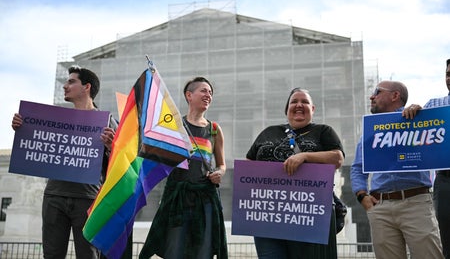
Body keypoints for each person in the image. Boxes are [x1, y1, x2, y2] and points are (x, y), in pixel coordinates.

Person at [11, 66, 117, 259]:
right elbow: (36, 145)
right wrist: (23, 127)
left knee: (88, 255)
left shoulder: (107, 122)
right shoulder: (53, 120)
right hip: (54, 196)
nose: (65, 86)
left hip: (88, 199)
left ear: (86, 87)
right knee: (52, 255)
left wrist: (111, 147)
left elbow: (121, 165)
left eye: (71, 81)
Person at [246, 87, 345, 259]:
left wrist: (304, 156)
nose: (299, 105)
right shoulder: (268, 132)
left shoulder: (324, 131)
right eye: (294, 102)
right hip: (268, 215)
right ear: (287, 109)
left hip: (308, 215)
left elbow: (337, 158)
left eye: (305, 102)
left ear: (312, 109)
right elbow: (248, 166)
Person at [350, 80, 444, 259]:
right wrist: (362, 196)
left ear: (395, 96)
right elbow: (357, 168)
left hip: (416, 203)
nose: (372, 96)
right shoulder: (369, 132)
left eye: (377, 91)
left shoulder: (418, 120)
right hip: (380, 207)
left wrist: (422, 115)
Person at [139, 77, 228, 259]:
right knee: (175, 250)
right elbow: (154, 155)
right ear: (189, 95)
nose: (208, 95)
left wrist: (219, 172)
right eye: (203, 91)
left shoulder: (214, 130)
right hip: (177, 199)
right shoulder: (174, 126)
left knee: (203, 251)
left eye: (210, 92)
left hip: (205, 200)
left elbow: (221, 164)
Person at [402, 58, 450, 258]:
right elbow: (415, 135)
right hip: (446, 180)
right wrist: (413, 113)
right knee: (446, 239)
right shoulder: (434, 106)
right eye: (448, 74)